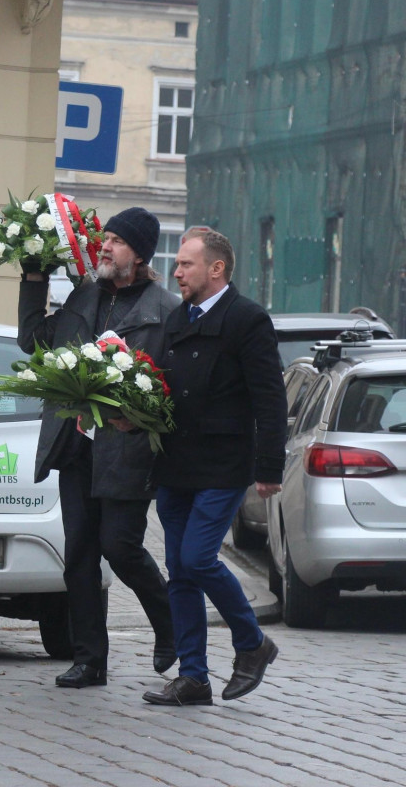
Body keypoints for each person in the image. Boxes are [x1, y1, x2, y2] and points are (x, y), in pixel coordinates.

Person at [18, 207, 180, 689]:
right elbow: (32, 339)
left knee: (121, 547)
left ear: (141, 254)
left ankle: (169, 623)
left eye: (116, 241)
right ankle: (90, 660)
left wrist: (142, 418)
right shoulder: (84, 295)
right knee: (80, 557)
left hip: (128, 448)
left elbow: (173, 386)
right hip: (76, 446)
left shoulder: (164, 309)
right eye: (103, 238)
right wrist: (33, 277)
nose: (105, 247)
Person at [143, 228, 286, 707]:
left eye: (185, 264)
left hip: (223, 463)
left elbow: (270, 398)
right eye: (178, 264)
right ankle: (194, 677)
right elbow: (161, 386)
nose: (176, 272)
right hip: (176, 463)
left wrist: (270, 465)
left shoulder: (247, 319)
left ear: (216, 269)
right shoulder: (178, 318)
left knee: (198, 558)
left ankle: (251, 642)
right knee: (180, 570)